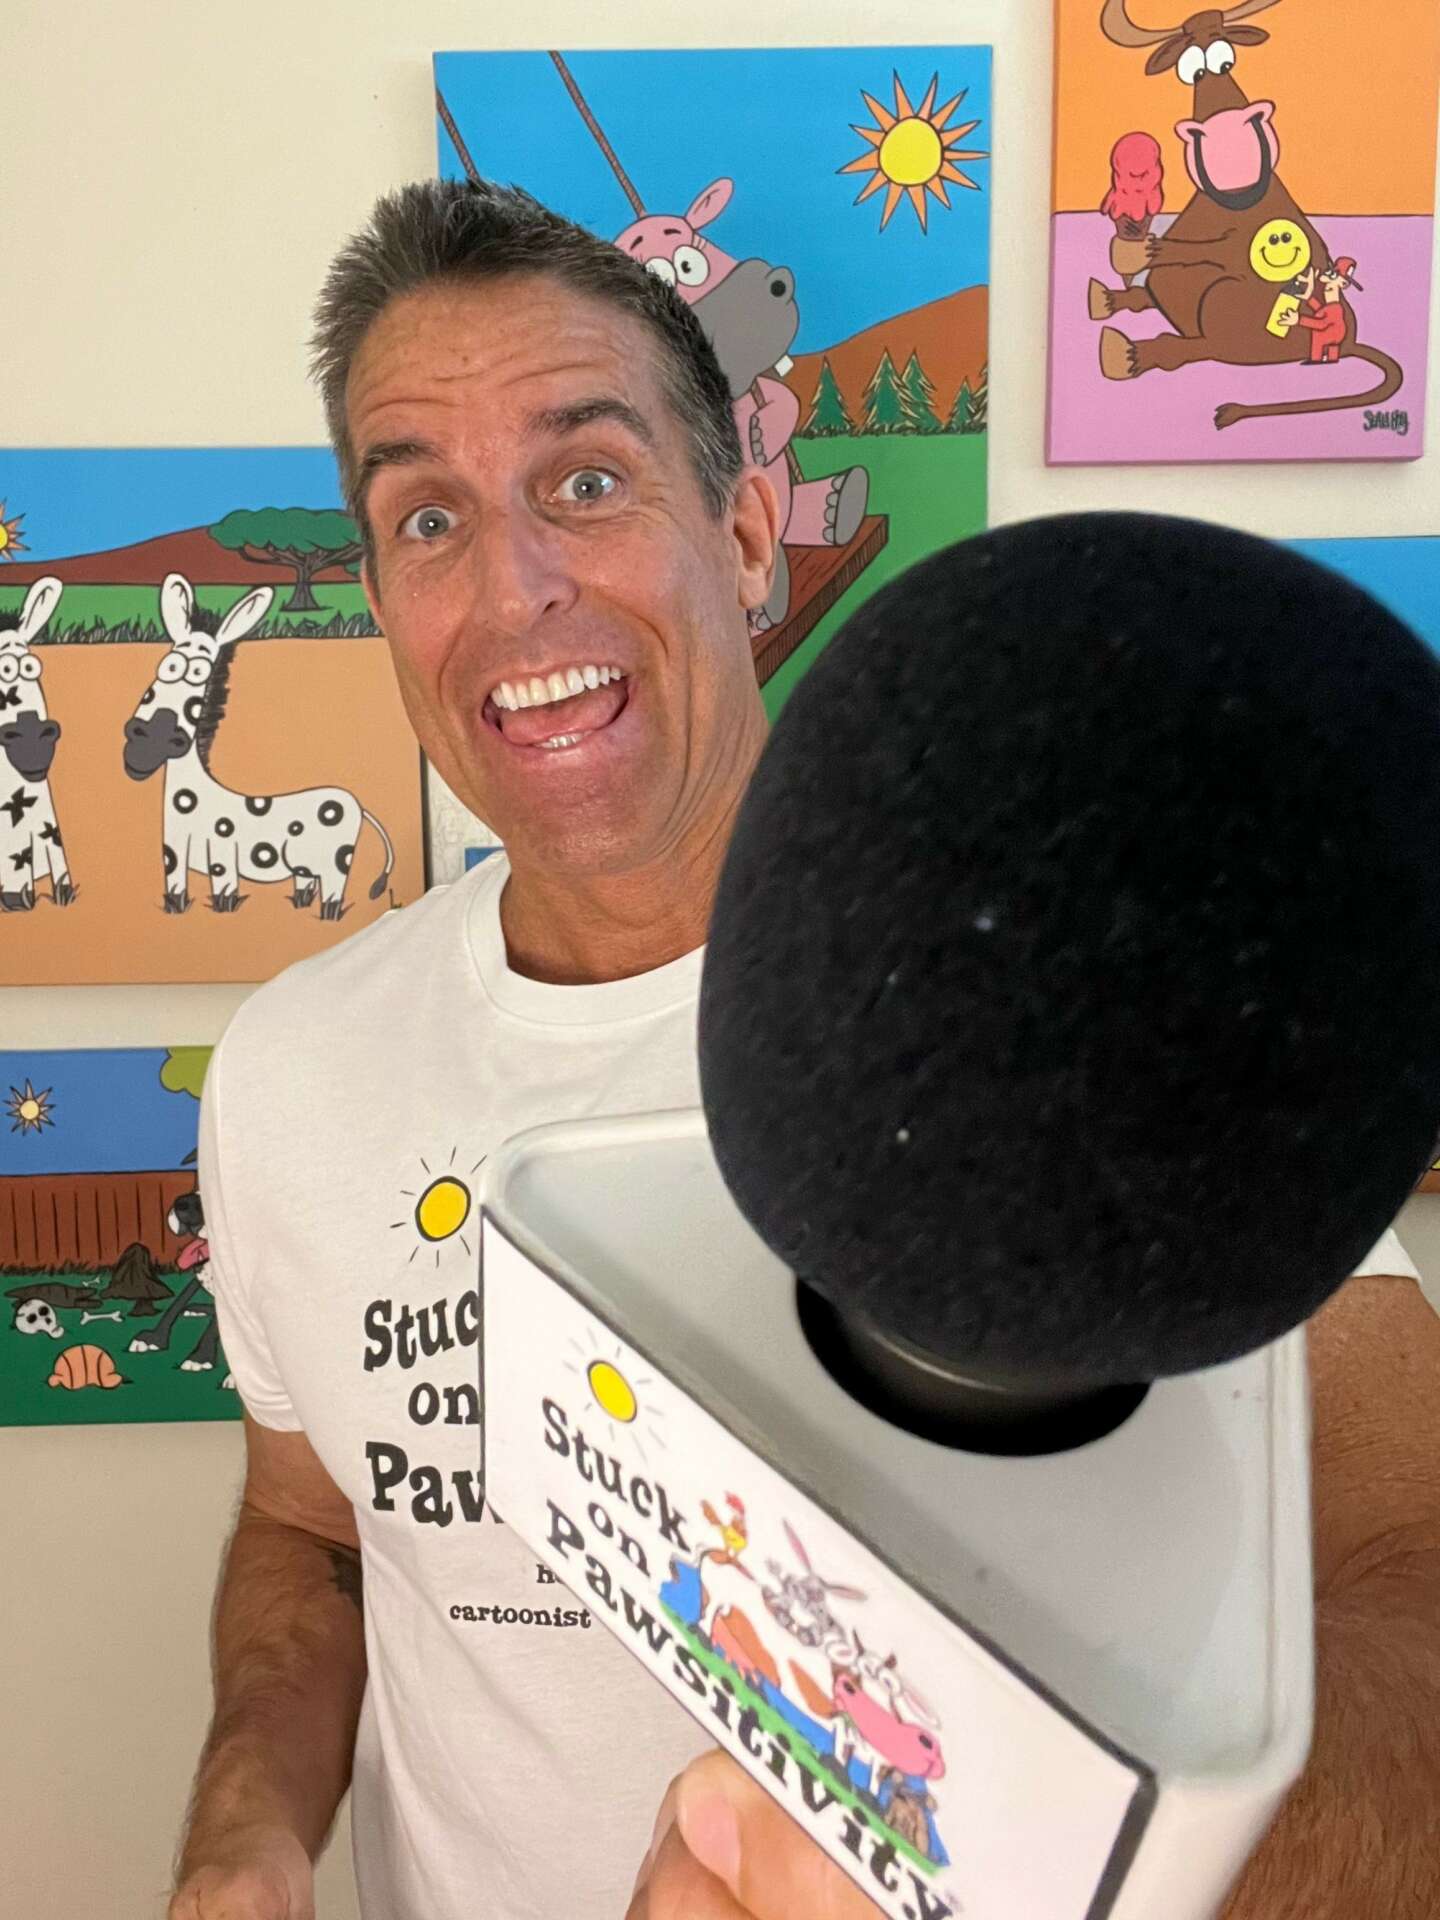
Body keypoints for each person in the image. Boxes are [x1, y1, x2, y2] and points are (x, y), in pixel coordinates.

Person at [170, 180, 1440, 1920]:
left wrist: (1015, 1849)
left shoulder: (1070, 989)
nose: (516, 589)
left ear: (752, 531)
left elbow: (1414, 1587)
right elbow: (313, 1529)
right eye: (428, 518)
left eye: (587, 481)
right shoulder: (288, 1071)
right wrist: (246, 1818)